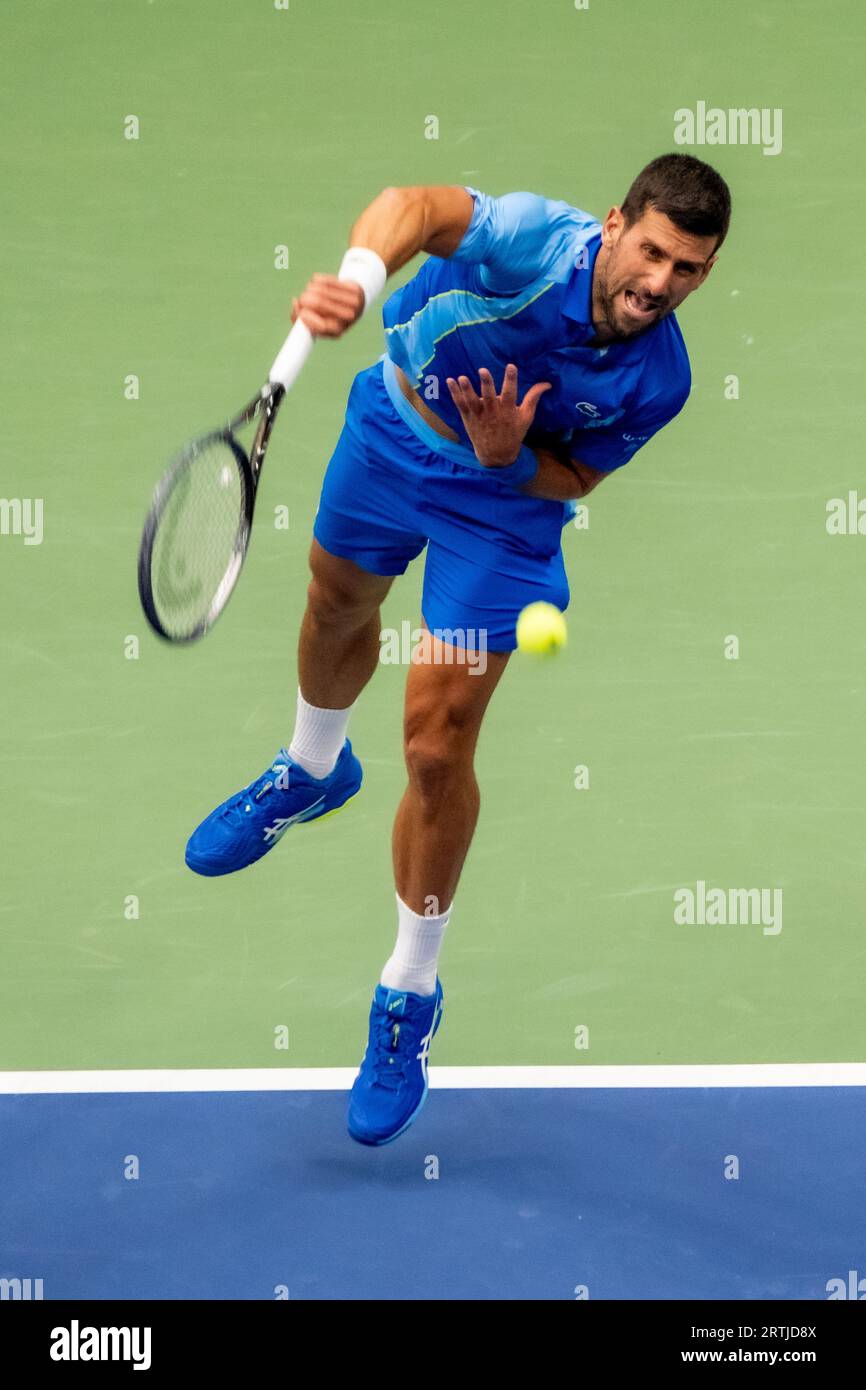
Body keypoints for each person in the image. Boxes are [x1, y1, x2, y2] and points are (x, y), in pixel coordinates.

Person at [185, 153, 732, 1145]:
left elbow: (572, 479)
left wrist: (505, 458)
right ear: (614, 226)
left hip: (502, 505)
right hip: (393, 430)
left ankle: (407, 991)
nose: (659, 283)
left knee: (437, 747)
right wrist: (359, 279)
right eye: (650, 251)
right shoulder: (529, 239)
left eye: (688, 270)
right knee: (335, 604)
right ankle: (311, 767)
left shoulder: (663, 379)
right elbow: (412, 205)